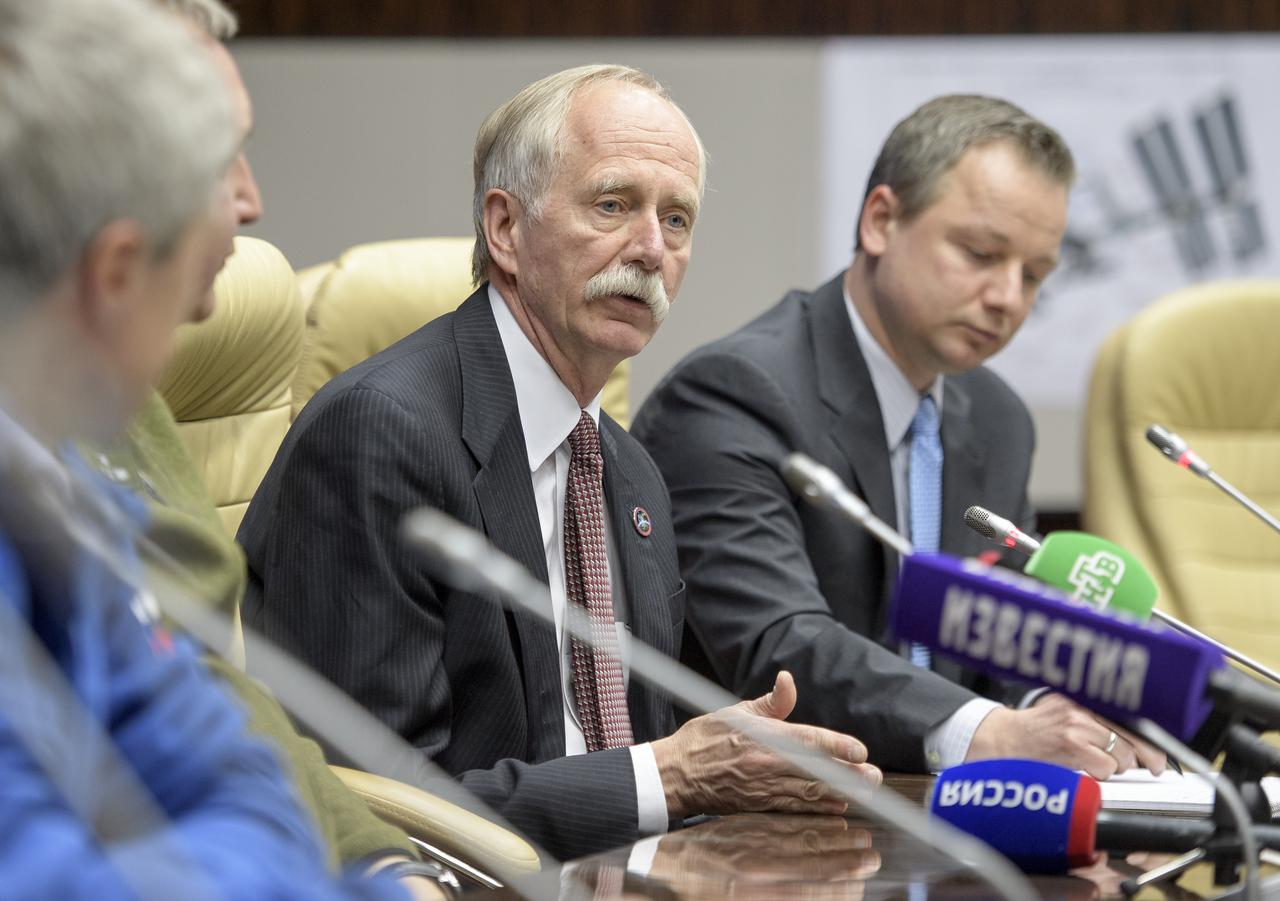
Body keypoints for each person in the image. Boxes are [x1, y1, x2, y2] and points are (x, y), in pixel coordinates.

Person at [241, 64, 881, 861]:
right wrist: (669, 776)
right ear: (505, 229)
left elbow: (641, 753)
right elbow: (369, 795)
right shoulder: (382, 433)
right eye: (613, 205)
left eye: (676, 220)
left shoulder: (630, 472)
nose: (651, 249)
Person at [0, 0, 411, 895]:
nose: (251, 205)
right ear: (115, 269)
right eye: (217, 159)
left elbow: (221, 751)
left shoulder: (68, 490)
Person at [631, 94, 1166, 780]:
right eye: (980, 253)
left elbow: (1006, 643)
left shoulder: (998, 418)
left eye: (1034, 275)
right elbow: (779, 645)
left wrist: (1058, 715)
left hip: (948, 814)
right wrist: (994, 732)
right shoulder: (734, 392)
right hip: (763, 824)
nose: (1008, 296)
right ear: (881, 220)